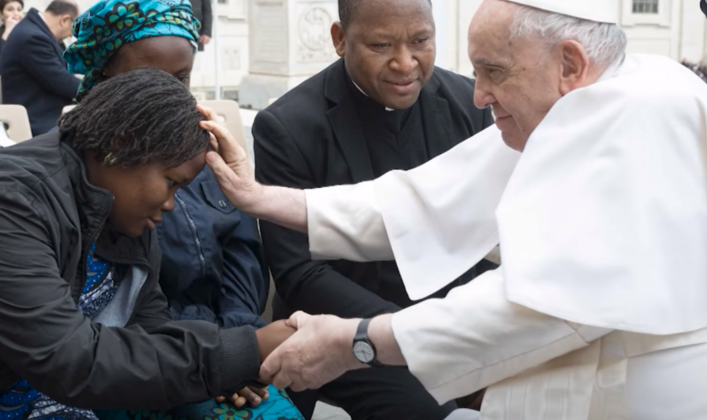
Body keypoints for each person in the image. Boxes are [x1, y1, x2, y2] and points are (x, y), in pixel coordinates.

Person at [200, 0, 707, 418]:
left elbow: (546, 302)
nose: (480, 94)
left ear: (570, 64)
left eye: (493, 72)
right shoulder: (573, 100)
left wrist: (359, 340)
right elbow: (421, 200)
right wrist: (261, 198)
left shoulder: (643, 114)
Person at [0, 67, 297, 420]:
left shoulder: (117, 203)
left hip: (67, 383)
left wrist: (223, 369)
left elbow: (149, 323)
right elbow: (68, 359)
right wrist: (239, 353)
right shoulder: (2, 203)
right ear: (121, 145)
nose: (170, 204)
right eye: (171, 182)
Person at [252, 0, 493, 417]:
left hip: (458, 325)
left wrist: (480, 333)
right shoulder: (286, 126)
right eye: (381, 45)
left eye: (421, 41)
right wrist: (409, 335)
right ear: (340, 39)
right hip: (339, 330)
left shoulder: (468, 105)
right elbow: (299, 273)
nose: (405, 63)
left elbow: (491, 236)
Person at [63, 1, 303, 418]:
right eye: (148, 78)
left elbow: (242, 251)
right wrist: (214, 356)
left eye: (181, 78)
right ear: (104, 75)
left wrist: (236, 338)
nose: (169, 94)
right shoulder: (84, 172)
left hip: (229, 341)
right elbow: (120, 301)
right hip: (140, 356)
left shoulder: (203, 154)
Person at [1, 0, 81, 136]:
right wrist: (104, 90)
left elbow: (68, 68)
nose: (72, 35)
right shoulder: (33, 37)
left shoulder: (37, 31)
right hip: (38, 120)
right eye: (75, 27)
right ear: (64, 20)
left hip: (45, 112)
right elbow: (62, 81)